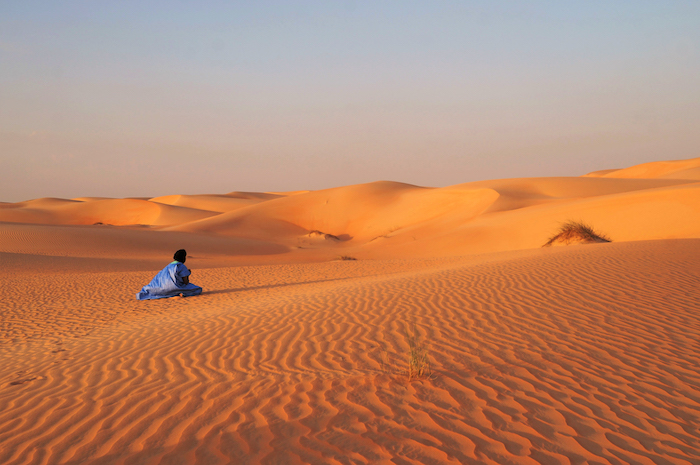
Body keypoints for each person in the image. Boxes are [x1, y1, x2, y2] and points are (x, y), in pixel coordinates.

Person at [136, 249, 203, 300]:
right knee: (197, 289)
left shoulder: (168, 266)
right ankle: (180, 293)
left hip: (160, 288)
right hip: (175, 288)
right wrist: (187, 274)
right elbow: (185, 282)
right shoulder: (181, 266)